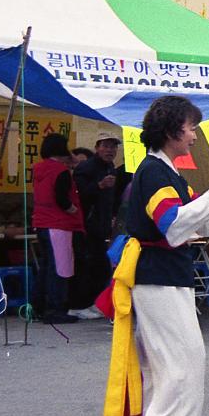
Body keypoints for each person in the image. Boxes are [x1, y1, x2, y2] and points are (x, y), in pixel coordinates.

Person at [101, 96, 209, 416]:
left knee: (153, 358)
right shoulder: (156, 172)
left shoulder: (166, 172)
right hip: (158, 274)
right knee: (183, 355)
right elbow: (173, 223)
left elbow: (199, 222)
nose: (194, 135)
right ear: (173, 129)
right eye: (191, 127)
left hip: (156, 273)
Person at [31, 133, 85, 324]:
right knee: (60, 268)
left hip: (41, 222)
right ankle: (55, 308)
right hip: (59, 224)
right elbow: (62, 198)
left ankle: (38, 307)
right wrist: (74, 209)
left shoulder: (38, 168)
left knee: (46, 267)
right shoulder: (60, 171)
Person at [73, 132, 123, 318]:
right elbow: (78, 196)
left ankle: (94, 304)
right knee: (89, 265)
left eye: (113, 146)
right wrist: (99, 186)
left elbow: (112, 198)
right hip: (86, 225)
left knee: (101, 266)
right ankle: (81, 305)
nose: (110, 150)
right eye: (106, 146)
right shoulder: (86, 168)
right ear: (97, 148)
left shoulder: (111, 167)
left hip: (102, 225)